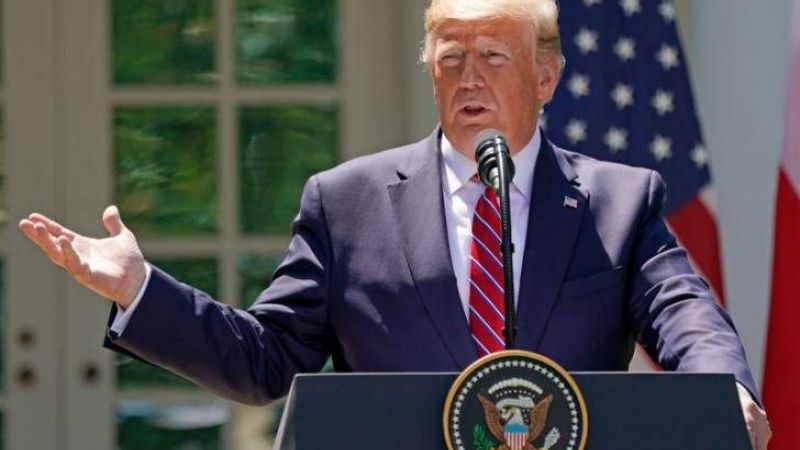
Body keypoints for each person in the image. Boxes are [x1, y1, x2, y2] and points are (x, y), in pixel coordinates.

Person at [19, 0, 771, 448]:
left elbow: (686, 315)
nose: (470, 76)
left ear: (547, 77)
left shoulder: (619, 201)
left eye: (493, 56)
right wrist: (140, 289)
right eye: (451, 58)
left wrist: (724, 393)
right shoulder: (347, 203)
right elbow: (264, 359)